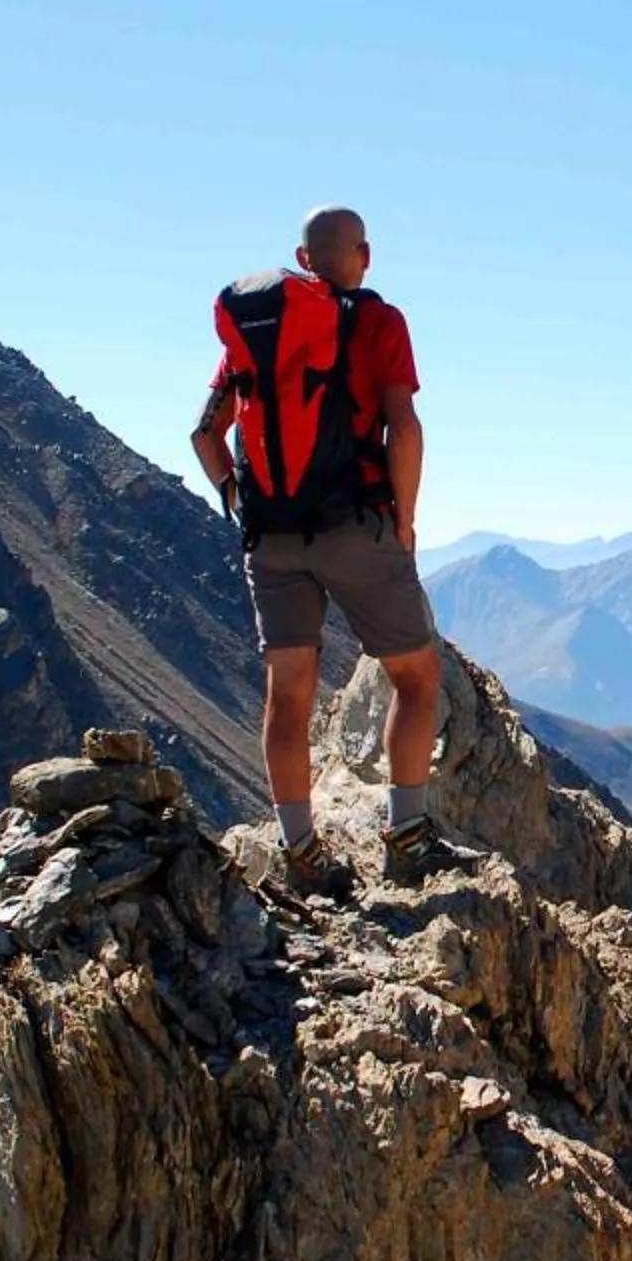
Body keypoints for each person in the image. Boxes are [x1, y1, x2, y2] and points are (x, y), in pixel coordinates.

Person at [190, 205, 456, 891]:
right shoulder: (379, 321)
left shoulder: (258, 338)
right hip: (355, 526)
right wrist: (405, 519)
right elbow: (405, 425)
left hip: (270, 534)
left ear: (303, 260)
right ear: (363, 255)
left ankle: (300, 851)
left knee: (288, 697)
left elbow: (204, 435)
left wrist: (237, 497)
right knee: (416, 676)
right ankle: (407, 834)